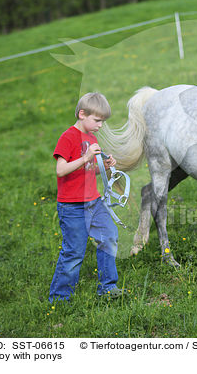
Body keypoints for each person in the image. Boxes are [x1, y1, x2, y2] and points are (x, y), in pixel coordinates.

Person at [49, 92, 127, 302]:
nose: (100, 125)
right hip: (72, 206)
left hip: (94, 202)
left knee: (109, 237)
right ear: (82, 114)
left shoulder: (91, 138)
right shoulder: (68, 137)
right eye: (97, 120)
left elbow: (88, 170)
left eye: (102, 121)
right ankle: (59, 297)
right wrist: (85, 157)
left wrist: (105, 166)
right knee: (74, 251)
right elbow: (61, 170)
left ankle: (108, 287)